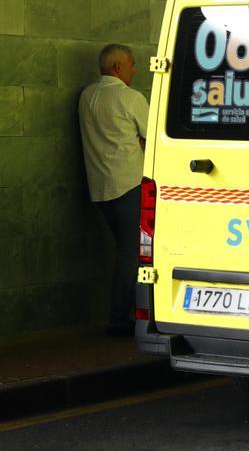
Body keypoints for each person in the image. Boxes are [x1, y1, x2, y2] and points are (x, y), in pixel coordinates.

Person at [78, 44, 148, 336]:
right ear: (118, 67)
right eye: (132, 64)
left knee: (124, 253)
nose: (135, 69)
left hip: (100, 188)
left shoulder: (86, 96)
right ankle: (119, 320)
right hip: (129, 184)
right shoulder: (130, 98)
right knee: (131, 255)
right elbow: (152, 137)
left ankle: (124, 316)